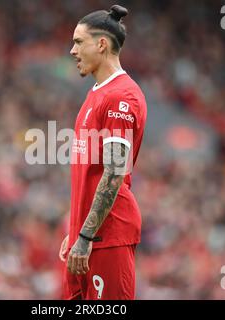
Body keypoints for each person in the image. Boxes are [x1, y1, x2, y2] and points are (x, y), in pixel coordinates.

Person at [58, 4, 147, 300]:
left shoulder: (122, 97)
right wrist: (76, 229)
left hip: (107, 236)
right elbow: (89, 172)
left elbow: (113, 172)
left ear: (102, 44)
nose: (72, 50)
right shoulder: (96, 94)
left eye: (78, 42)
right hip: (87, 235)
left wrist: (85, 236)